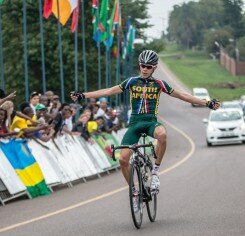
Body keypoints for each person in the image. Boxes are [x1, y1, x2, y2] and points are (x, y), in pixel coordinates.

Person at [70, 49, 220, 195]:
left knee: (162, 135)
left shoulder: (159, 84)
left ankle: (155, 172)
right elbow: (108, 91)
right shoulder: (131, 81)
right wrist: (83, 95)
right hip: (134, 124)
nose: (145, 69)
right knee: (123, 160)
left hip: (150, 122)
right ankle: (134, 189)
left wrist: (206, 103)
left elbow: (182, 95)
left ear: (154, 68)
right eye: (143, 65)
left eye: (149, 67)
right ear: (139, 65)